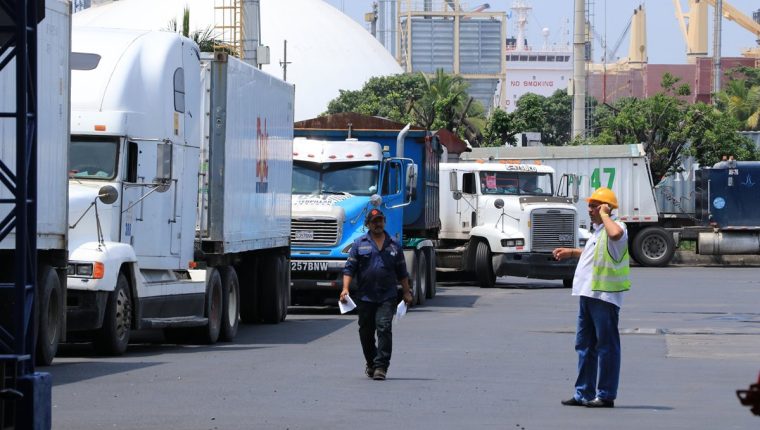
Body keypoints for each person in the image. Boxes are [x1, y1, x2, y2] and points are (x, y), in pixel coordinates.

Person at [552, 187, 630, 408]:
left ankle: (605, 395)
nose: (590, 210)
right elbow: (594, 253)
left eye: (595, 206)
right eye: (590, 205)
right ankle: (583, 393)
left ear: (607, 208)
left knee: (606, 347)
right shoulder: (597, 232)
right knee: (584, 345)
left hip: (604, 298)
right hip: (587, 295)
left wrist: (605, 214)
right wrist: (572, 252)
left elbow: (615, 235)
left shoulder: (617, 227)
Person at [340, 208, 413, 381]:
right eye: (374, 221)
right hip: (365, 297)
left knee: (384, 328)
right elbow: (349, 269)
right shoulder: (359, 244)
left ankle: (381, 366)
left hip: (387, 296)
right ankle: (371, 363)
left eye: (380, 220)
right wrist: (345, 289)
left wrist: (407, 292)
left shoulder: (394, 245)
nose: (378, 224)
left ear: (384, 222)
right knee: (366, 332)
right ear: (368, 224)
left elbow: (402, 272)